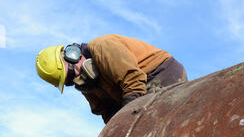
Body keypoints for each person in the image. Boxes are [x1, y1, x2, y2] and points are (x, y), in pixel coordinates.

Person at [36, 34, 187, 124]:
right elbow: (106, 112)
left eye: (70, 74)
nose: (75, 79)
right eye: (69, 81)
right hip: (135, 93)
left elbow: (133, 81)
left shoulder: (102, 46)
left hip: (159, 74)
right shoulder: (86, 83)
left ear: (72, 55)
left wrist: (128, 121)